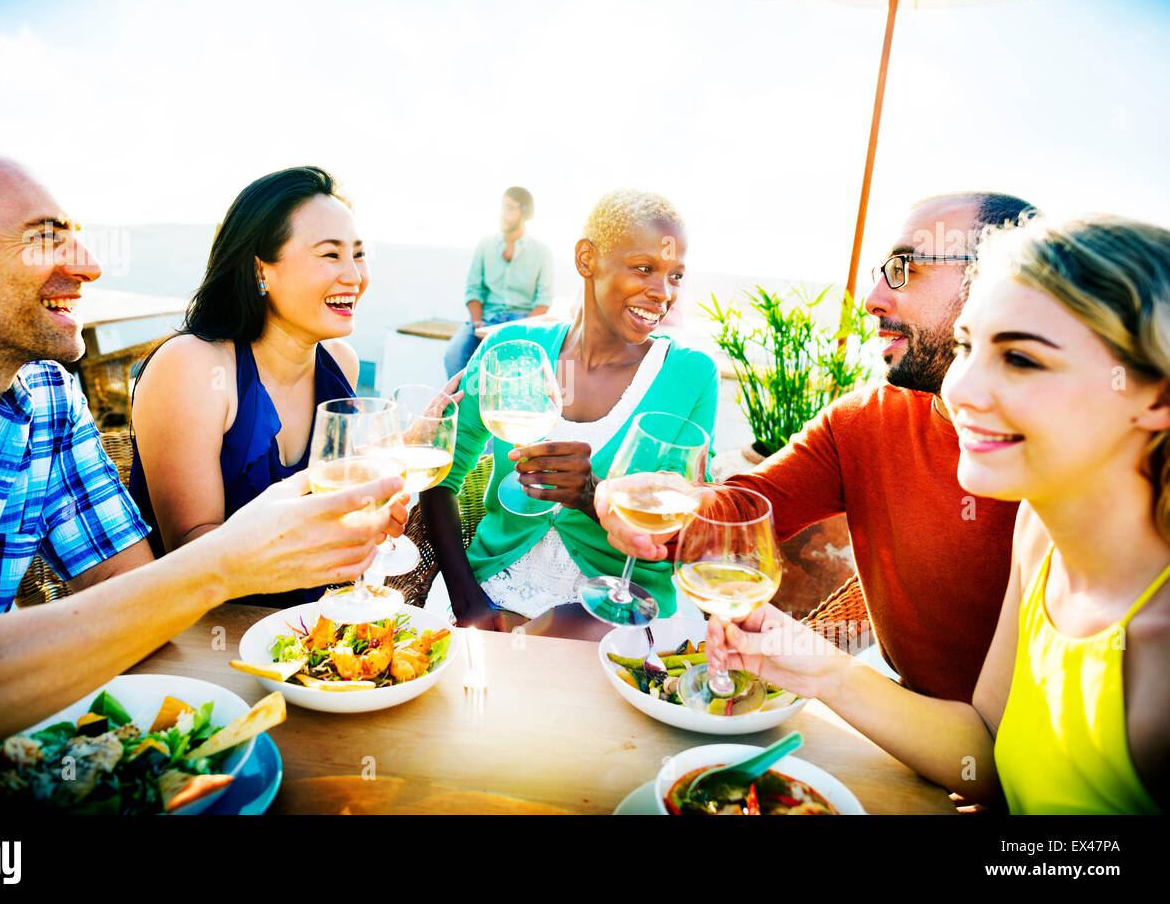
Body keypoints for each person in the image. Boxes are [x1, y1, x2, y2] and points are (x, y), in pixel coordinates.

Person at [0, 143, 405, 766]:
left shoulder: (46, 395)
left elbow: (137, 598)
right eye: (46, 239)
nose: (91, 267)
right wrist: (226, 562)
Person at [709, 215, 1170, 813]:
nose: (963, 388)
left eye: (1022, 359)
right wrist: (817, 669)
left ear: (1155, 395)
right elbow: (985, 751)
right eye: (965, 346)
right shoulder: (1041, 534)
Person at [596, 192, 1038, 702]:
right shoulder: (864, 420)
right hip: (912, 724)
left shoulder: (1068, 458)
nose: (873, 298)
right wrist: (681, 502)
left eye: (905, 268)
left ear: (996, 283)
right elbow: (749, 507)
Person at [423, 188, 719, 640]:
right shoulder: (512, 349)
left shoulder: (690, 376)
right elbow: (438, 475)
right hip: (489, 587)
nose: (663, 294)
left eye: (675, 276)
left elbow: (684, 526)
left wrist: (591, 494)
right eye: (645, 268)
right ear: (587, 259)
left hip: (619, 604)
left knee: (543, 670)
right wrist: (468, 603)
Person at [128, 167, 401, 606]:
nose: (354, 275)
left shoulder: (341, 366)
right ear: (261, 269)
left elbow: (330, 507)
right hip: (201, 640)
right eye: (330, 255)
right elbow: (194, 552)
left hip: (306, 634)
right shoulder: (192, 367)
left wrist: (369, 512)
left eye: (359, 254)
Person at [443, 186, 554, 377]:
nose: (503, 214)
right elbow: (473, 290)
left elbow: (543, 301)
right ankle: (462, 405)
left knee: (506, 367)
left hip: (521, 319)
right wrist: (477, 322)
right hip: (485, 317)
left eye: (510, 208)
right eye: (502, 207)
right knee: (453, 355)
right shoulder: (485, 245)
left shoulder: (542, 252)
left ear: (525, 212)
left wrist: (519, 329)